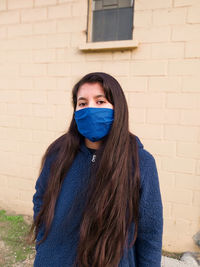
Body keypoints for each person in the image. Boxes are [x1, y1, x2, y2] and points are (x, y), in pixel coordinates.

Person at [29, 72, 163, 267]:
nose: (90, 108)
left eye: (100, 101)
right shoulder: (58, 153)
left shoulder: (141, 162)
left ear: (118, 108)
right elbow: (41, 198)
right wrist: (44, 243)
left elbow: (150, 231)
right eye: (82, 103)